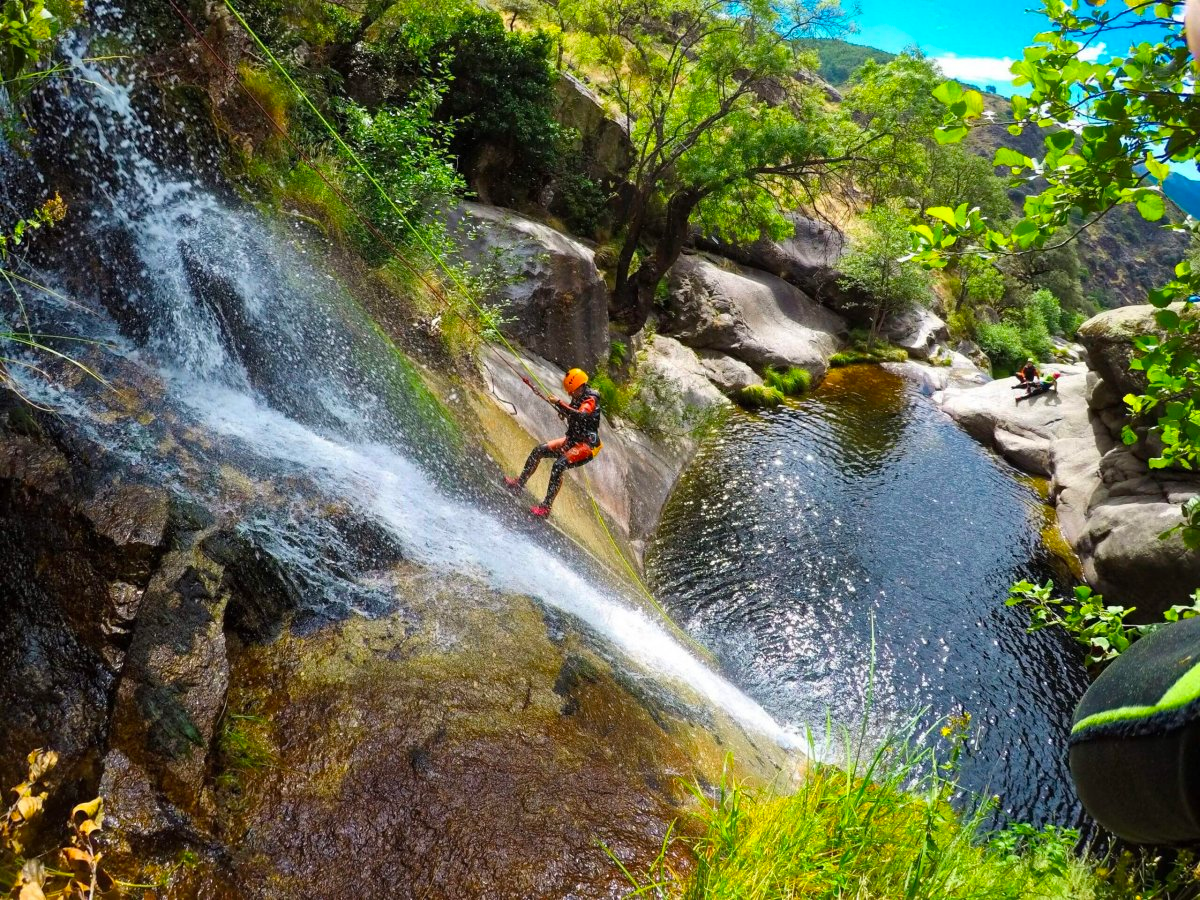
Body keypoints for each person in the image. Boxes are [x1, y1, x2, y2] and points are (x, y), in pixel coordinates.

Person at [504, 367, 603, 518]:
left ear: (581, 386)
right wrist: (563, 410)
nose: (570, 394)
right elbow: (574, 414)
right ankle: (519, 484)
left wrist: (560, 403)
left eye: (572, 391)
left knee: (559, 466)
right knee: (539, 450)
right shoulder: (578, 395)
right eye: (569, 392)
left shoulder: (590, 398)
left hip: (587, 445)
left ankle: (546, 508)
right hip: (572, 440)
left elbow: (582, 415)